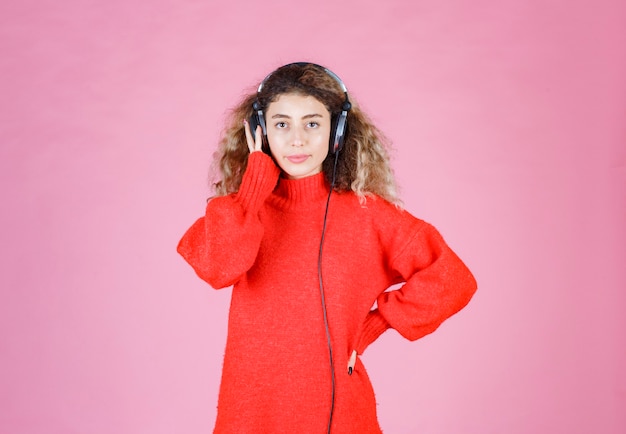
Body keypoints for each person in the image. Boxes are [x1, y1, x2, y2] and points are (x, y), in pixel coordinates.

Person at [177, 62, 477, 434]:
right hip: (252, 411)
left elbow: (453, 280)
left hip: (337, 411)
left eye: (313, 123)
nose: (297, 139)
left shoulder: (370, 216)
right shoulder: (238, 213)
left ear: (337, 133)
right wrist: (255, 183)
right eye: (282, 124)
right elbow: (219, 268)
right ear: (260, 130)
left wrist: (373, 325)